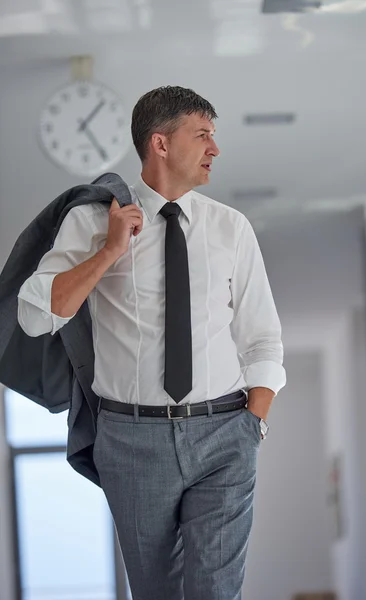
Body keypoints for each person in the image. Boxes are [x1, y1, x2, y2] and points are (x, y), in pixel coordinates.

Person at [17, 86, 286, 600]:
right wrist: (110, 251)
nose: (215, 148)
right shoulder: (95, 221)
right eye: (202, 134)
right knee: (156, 591)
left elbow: (263, 340)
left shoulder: (232, 228)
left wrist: (253, 423)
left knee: (216, 591)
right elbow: (34, 315)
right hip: (132, 441)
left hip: (226, 433)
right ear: (160, 144)